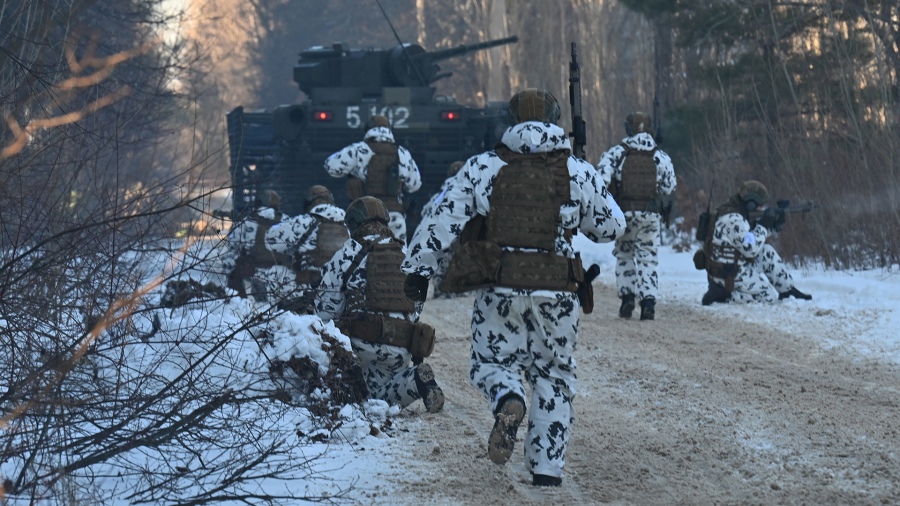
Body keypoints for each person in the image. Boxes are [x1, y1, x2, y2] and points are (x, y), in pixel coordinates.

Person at [401, 89, 625, 487]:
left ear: (513, 120)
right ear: (557, 121)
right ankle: (547, 469)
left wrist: (419, 269)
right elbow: (611, 228)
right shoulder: (575, 169)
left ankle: (508, 399)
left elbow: (442, 218)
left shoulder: (484, 165)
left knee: (490, 362)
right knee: (554, 375)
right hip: (558, 290)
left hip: (500, 285)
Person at [315, 196, 444, 413]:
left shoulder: (348, 252)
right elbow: (416, 307)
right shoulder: (406, 254)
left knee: (364, 399)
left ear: (355, 224)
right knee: (385, 390)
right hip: (400, 346)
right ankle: (414, 380)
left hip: (359, 347)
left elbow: (325, 312)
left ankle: (370, 387)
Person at [596, 111, 677, 320]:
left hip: (624, 214)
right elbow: (670, 188)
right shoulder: (660, 156)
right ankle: (648, 302)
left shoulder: (617, 153)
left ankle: (627, 299)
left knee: (624, 254)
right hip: (650, 216)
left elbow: (600, 180)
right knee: (647, 257)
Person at [699, 180, 812, 305]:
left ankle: (787, 290)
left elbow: (748, 237)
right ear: (751, 204)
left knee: (766, 251)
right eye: (760, 205)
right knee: (768, 297)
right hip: (728, 273)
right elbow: (750, 248)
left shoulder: (735, 211)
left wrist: (774, 226)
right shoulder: (733, 218)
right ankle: (723, 296)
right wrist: (763, 225)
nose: (761, 208)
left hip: (732, 264)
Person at [324, 115, 422, 243]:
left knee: (364, 257)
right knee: (399, 256)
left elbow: (330, 166)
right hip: (394, 215)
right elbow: (415, 185)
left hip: (365, 215)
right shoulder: (402, 153)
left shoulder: (358, 149)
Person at [419, 161, 465, 298]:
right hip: (461, 236)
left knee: (442, 263)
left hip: (441, 235)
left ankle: (440, 290)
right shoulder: (468, 191)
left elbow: (426, 211)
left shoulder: (442, 193)